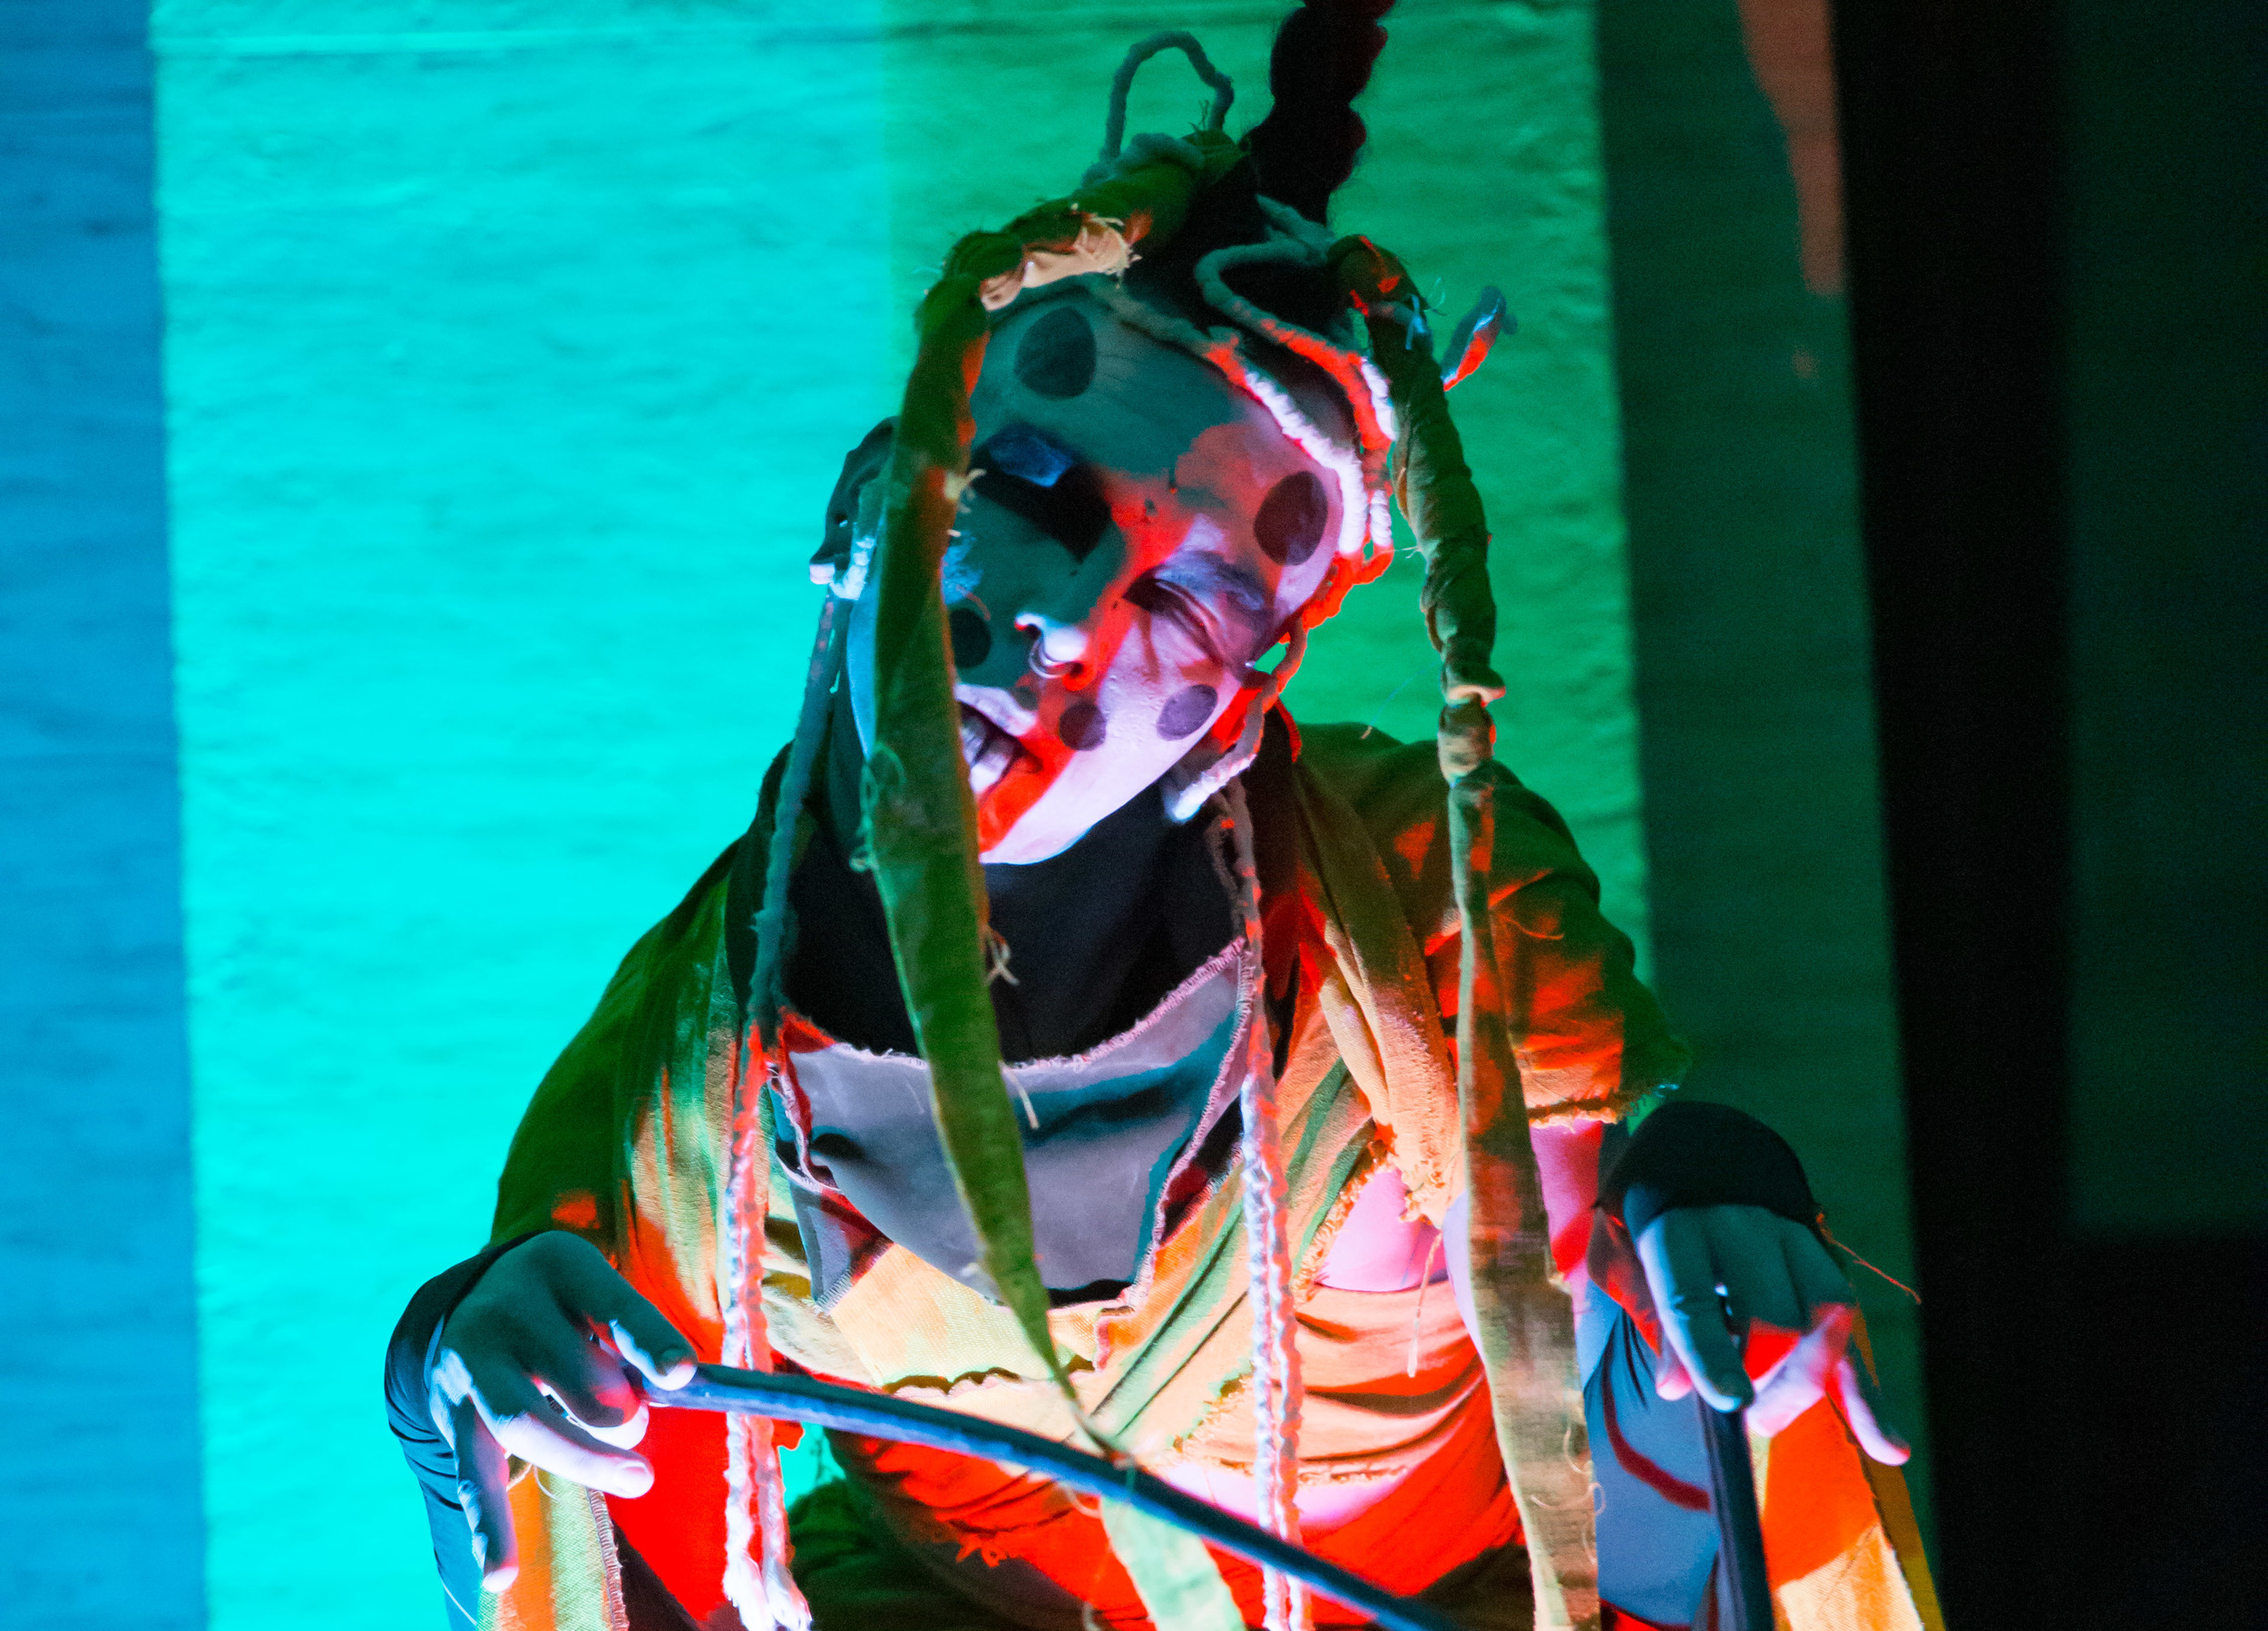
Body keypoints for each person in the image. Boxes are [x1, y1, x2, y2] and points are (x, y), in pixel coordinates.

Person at [386, 9, 1938, 1630]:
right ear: (872, 500)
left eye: (1184, 612)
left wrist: (1705, 1222)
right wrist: (460, 1370)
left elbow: (1643, 1412)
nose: (1068, 625)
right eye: (1029, 494)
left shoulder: (1431, 915)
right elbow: (596, 1535)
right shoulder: (686, 1101)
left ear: (1239, 709)